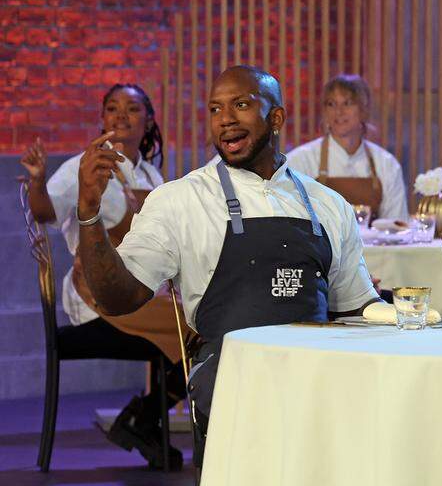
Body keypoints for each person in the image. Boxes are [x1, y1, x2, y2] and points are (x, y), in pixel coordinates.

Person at [75, 66, 380, 463]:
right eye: (216, 109)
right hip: (231, 377)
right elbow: (118, 298)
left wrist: (409, 315)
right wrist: (89, 213)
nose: (226, 120)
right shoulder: (180, 201)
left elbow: (356, 307)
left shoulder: (327, 204)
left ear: (276, 118)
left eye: (241, 105)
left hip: (314, 376)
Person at [21, 84, 190, 469]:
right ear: (102, 119)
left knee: (206, 323)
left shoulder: (151, 175)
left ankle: (143, 419)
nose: (120, 116)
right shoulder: (85, 165)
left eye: (132, 109)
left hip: (144, 292)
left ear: (148, 121)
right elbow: (45, 213)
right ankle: (143, 420)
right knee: (198, 330)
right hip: (96, 295)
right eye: (112, 109)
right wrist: (35, 181)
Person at [285, 74, 408, 220]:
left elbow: (397, 225)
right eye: (331, 104)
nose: (339, 112)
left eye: (347, 103)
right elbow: (290, 220)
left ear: (364, 110)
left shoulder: (387, 164)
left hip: (373, 244)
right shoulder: (300, 160)